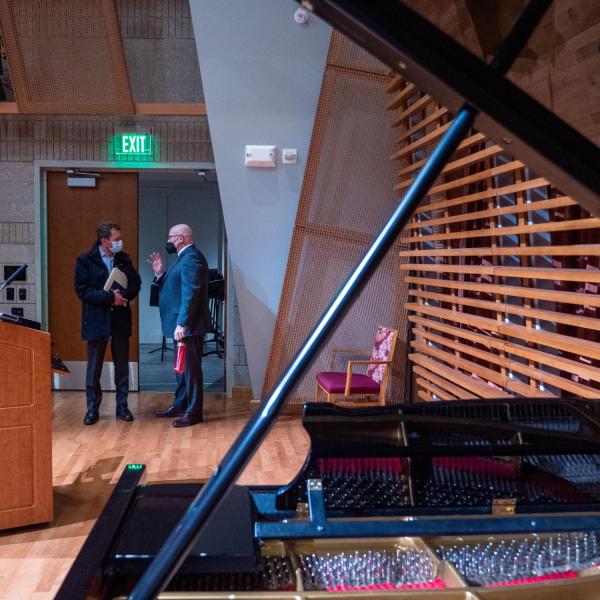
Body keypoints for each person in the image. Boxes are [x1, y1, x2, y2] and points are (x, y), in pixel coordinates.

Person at [75, 221, 141, 425]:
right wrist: (109, 298)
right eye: (116, 239)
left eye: (120, 239)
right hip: (96, 320)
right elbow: (82, 290)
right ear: (104, 241)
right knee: (94, 367)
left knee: (121, 364)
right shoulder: (85, 260)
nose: (119, 242)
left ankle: (122, 406)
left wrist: (124, 296)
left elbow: (136, 283)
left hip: (120, 319)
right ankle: (92, 408)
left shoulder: (124, 258)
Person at [149, 224, 211, 427]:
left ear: (182, 238)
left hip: (188, 326)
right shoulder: (183, 257)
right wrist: (160, 274)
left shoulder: (191, 257)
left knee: (191, 371)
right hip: (182, 325)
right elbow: (175, 286)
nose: (168, 240)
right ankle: (181, 404)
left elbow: (190, 294)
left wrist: (182, 323)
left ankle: (194, 412)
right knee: (182, 369)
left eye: (171, 236)